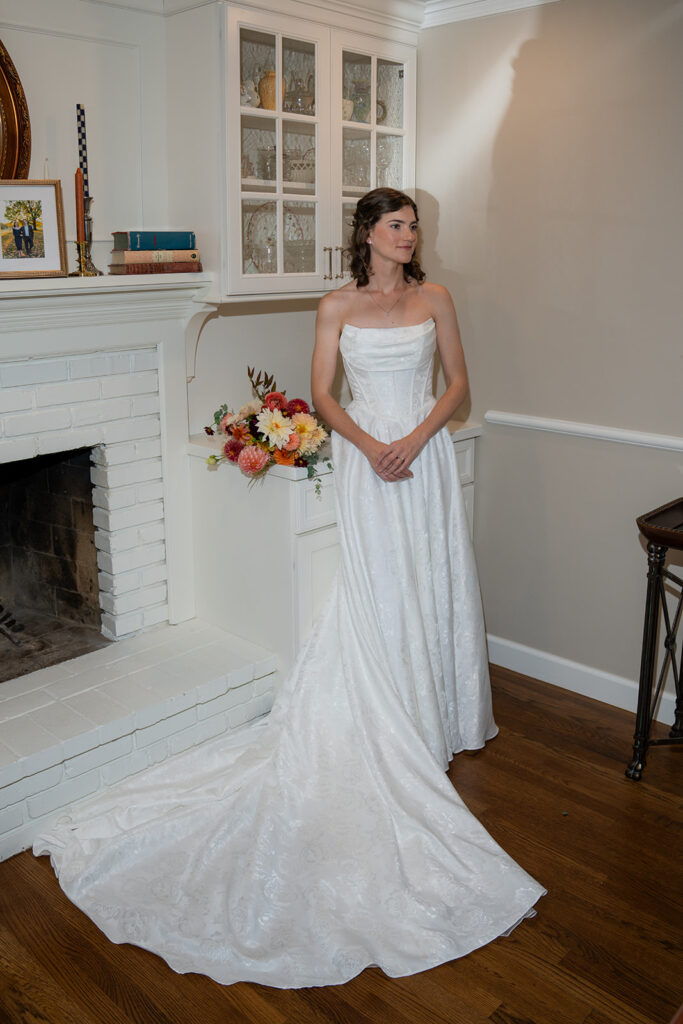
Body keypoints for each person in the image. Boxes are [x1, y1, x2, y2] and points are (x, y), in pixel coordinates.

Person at [35, 188, 544, 989]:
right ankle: (390, 713)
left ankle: (434, 713)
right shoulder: (335, 304)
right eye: (396, 225)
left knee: (432, 577)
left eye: (414, 225)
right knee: (379, 586)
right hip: (367, 465)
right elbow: (323, 394)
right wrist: (375, 446)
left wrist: (413, 438)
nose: (410, 236)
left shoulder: (435, 296)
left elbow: (456, 384)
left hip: (424, 456)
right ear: (367, 234)